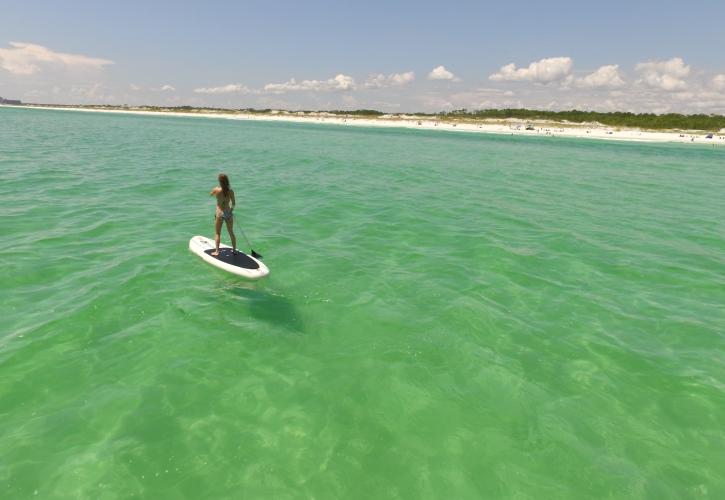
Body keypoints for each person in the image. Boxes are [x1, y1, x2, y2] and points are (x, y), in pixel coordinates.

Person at [209, 173, 237, 256]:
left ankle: (217, 251)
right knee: (231, 232)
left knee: (217, 233)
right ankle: (234, 250)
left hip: (219, 213)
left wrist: (215, 189)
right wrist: (231, 210)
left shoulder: (217, 190)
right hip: (228, 213)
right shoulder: (231, 191)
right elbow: (234, 203)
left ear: (219, 181)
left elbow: (210, 194)